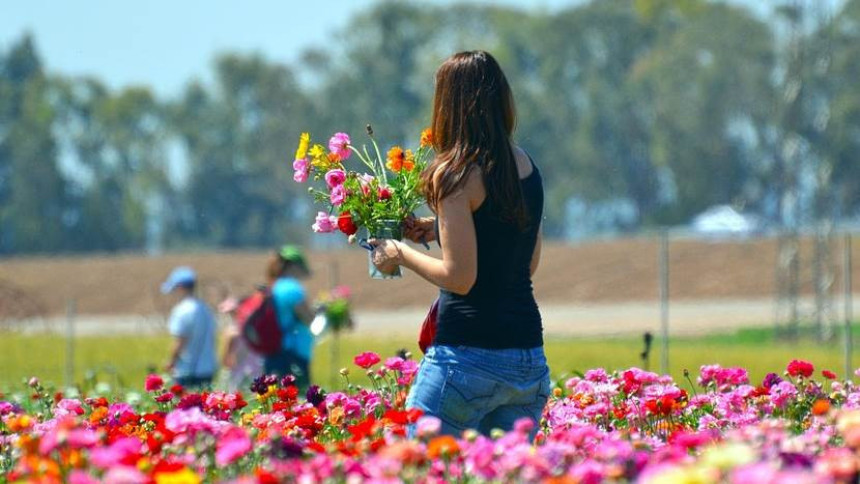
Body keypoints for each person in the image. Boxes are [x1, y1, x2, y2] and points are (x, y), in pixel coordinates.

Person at [370, 51, 549, 438]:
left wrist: (399, 252)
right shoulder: (527, 168)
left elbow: (460, 277)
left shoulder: (455, 172)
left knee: (414, 466)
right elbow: (525, 260)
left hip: (466, 358)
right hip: (527, 361)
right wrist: (439, 229)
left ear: (449, 107)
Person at [265, 245, 315, 391]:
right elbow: (307, 318)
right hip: (293, 351)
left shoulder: (275, 285)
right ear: (293, 266)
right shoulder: (292, 288)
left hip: (274, 349)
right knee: (298, 398)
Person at [161, 266, 218, 388]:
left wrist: (171, 361)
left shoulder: (181, 310)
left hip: (187, 370)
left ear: (181, 287)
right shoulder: (206, 309)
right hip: (207, 368)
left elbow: (180, 341)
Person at [218, 296, 263, 392]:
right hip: (255, 369)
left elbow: (225, 360)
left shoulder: (231, 331)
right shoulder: (253, 327)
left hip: (238, 372)